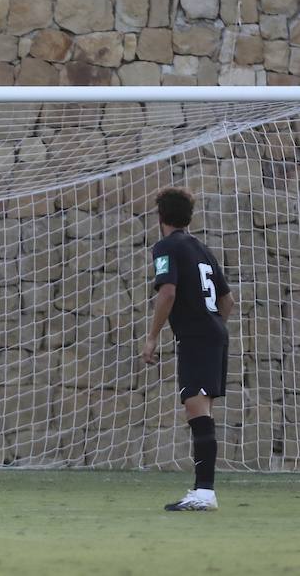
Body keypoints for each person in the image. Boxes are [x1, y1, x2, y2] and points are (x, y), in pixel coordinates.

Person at [141, 187, 233, 512]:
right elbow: (227, 300)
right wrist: (212, 326)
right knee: (200, 409)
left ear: (160, 217)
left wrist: (152, 337)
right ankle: (202, 490)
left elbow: (167, 292)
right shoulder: (202, 249)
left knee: (197, 409)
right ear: (188, 217)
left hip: (197, 337)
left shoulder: (166, 246)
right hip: (214, 334)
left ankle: (205, 493)